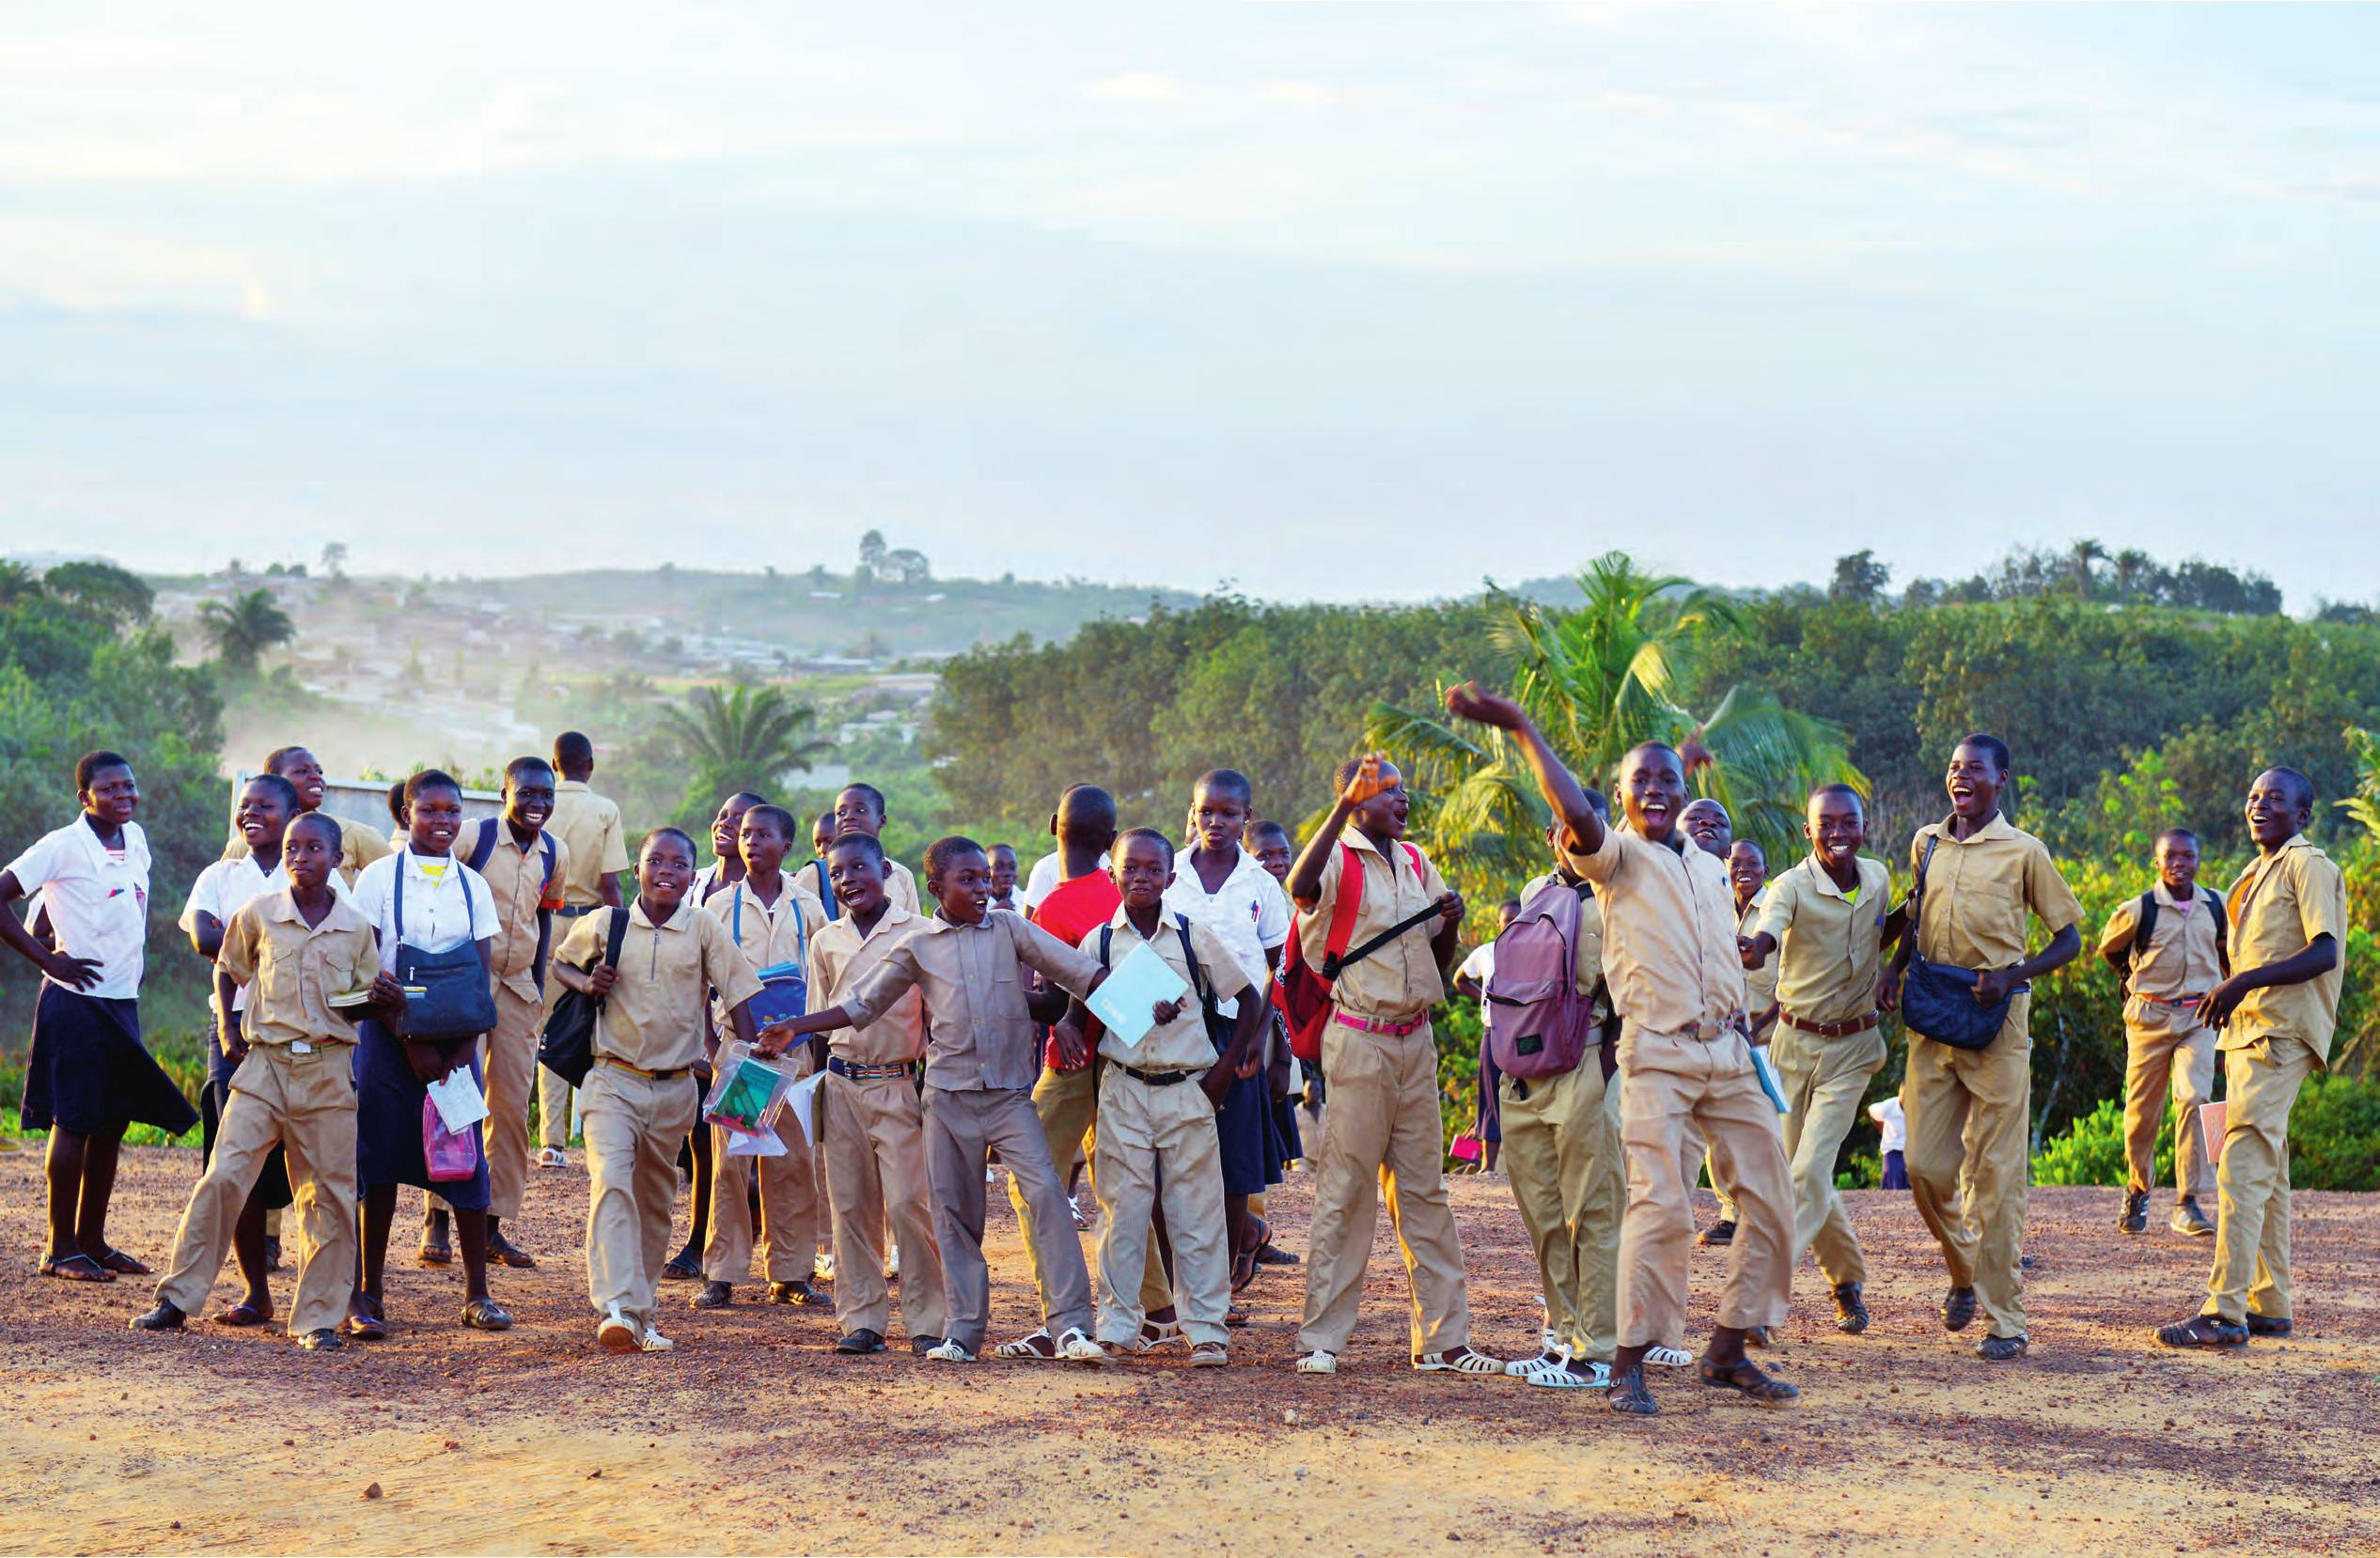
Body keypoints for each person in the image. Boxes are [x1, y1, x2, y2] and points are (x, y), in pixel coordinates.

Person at [1447, 686, 1798, 1415]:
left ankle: (1727, 1350)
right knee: (1659, 1209)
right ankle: (1624, 1363)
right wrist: (1520, 726)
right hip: (1656, 1054)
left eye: (1668, 779)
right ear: (1618, 799)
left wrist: (1683, 760)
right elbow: (1576, 812)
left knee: (1773, 1202)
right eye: (1640, 782)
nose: (1656, 791)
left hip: (1731, 1053)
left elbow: (1679, 807)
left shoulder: (1706, 861)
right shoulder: (1616, 860)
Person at [769, 835, 1113, 1364]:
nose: (983, 888)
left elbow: (1083, 974)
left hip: (1007, 1098)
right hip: (947, 1099)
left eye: (985, 878)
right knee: (953, 1216)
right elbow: (859, 1006)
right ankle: (962, 1334)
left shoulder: (1009, 927)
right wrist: (794, 1027)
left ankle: (1070, 1328)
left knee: (1046, 1193)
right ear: (937, 888)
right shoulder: (918, 947)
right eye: (968, 880)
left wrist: (1155, 1002)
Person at [133, 812, 399, 1349]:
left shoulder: (354, 929)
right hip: (265, 1067)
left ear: (337, 858)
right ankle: (176, 1298)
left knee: (328, 1194)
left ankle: (317, 1319)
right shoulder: (260, 914)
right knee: (225, 1175)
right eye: (292, 849)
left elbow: (356, 1004)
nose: (299, 857)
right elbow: (228, 968)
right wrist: (228, 1027)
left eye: (313, 848)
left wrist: (381, 1003)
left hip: (327, 1073)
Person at [1286, 752, 1494, 1379]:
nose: (1403, 799)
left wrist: (1451, 925)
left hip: (1415, 1041)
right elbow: (1300, 888)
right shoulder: (1337, 861)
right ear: (1357, 799)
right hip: (1358, 1040)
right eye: (1388, 791)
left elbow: (1436, 954)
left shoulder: (1415, 861)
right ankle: (1322, 1339)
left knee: (1424, 1190)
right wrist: (1343, 807)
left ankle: (1442, 1340)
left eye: (1404, 790)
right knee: (1346, 1192)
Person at [1884, 734, 2082, 1363]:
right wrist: (1893, 969)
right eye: (1953, 767)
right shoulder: (1928, 843)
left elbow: (2070, 937)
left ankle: (2007, 1321)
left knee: (1996, 1177)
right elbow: (1914, 916)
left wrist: (2013, 975)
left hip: (1996, 1021)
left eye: (1974, 769)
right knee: (1922, 1167)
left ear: (2002, 780)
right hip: (1931, 1016)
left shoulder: (2026, 851)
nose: (1960, 777)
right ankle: (1964, 1268)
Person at [551, 829, 772, 1353]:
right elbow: (560, 963)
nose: (666, 871)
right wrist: (586, 983)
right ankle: (615, 1308)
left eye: (678, 863)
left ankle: (640, 1314)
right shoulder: (608, 922)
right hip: (611, 1079)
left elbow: (739, 993)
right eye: (655, 861)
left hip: (675, 1090)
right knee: (611, 1183)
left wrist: (754, 1058)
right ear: (638, 870)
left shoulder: (703, 927)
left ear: (690, 874)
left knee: (654, 1202)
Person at [2155, 769, 2346, 1350]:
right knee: (2269, 1168)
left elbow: (2324, 951)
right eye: (2254, 797)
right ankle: (2269, 1302)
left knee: (2240, 1163)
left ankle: (2224, 1310)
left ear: (2303, 814)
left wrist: (2242, 983)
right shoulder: (2255, 871)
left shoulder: (2309, 864)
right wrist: (2226, 990)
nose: (2259, 806)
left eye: (2275, 799)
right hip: (2248, 1035)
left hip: (2280, 1035)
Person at [1068, 828, 1267, 1365]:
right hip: (1124, 1089)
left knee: (1195, 1212)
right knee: (1121, 1214)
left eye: (1153, 869)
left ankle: (1205, 1331)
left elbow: (1249, 1000)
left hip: (1188, 1089)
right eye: (1130, 868)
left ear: (1170, 877)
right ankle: (1116, 1327)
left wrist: (1224, 1072)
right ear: (1112, 874)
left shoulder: (1191, 936)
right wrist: (1072, 1025)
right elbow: (1078, 1010)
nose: (1141, 878)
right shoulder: (1099, 942)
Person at [2, 751, 200, 1285]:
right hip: (75, 1001)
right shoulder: (62, 846)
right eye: (109, 788)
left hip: (121, 1001)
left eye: (129, 786)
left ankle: (93, 1240)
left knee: (112, 1120)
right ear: (84, 796)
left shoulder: (134, 839)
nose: (123, 796)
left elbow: (75, 911)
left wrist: (54, 932)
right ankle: (58, 1248)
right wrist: (49, 959)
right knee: (75, 1120)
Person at [346, 770, 513, 1337]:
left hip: (459, 1046)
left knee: (467, 1164)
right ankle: (368, 1292)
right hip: (388, 1042)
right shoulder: (376, 879)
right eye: (430, 811)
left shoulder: (474, 885)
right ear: (405, 815)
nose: (442, 822)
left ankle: (477, 1295)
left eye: (452, 811)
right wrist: (409, 1041)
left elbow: (480, 974)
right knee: (380, 1164)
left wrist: (464, 1048)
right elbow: (366, 969)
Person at [1740, 784, 1903, 1335]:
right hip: (1792, 1048)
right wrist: (1759, 946)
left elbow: (1888, 929)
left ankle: (1762, 1301)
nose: (1838, 832)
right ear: (1808, 831)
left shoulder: (1878, 878)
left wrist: (1895, 968)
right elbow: (1769, 929)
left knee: (1807, 1170)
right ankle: (1847, 1283)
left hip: (1854, 1049)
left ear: (1864, 825)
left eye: (1848, 822)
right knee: (1804, 1175)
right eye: (1825, 824)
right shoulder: (1789, 886)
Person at [1486, 802, 1626, 1392]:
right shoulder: (1536, 890)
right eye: (1569, 831)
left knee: (1593, 1210)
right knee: (1543, 1213)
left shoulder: (1623, 897)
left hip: (1586, 1065)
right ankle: (1563, 1337)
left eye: (1591, 830)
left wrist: (1608, 1067)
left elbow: (1632, 995)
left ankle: (1597, 1350)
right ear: (1552, 837)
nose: (1579, 840)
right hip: (1525, 1072)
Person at [424, 756, 570, 1271]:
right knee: (458, 1095)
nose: (537, 804)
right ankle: (438, 1221)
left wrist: (536, 975)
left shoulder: (555, 851)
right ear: (505, 791)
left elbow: (545, 916)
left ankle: (492, 1227)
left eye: (545, 795)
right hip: (466, 982)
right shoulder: (472, 838)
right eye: (527, 793)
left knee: (510, 1108)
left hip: (517, 988)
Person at [806, 831, 947, 1355]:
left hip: (900, 1084)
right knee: (850, 1207)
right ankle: (862, 1320)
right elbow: (822, 1025)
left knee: (911, 1203)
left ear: (884, 868)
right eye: (837, 874)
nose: (848, 881)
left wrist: (929, 1089)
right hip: (842, 1084)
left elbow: (936, 1020)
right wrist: (819, 1092)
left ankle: (928, 1321)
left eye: (858, 869)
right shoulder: (826, 939)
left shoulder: (920, 933)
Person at [1161, 770, 1293, 1295]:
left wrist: (1260, 1041)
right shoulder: (1168, 873)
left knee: (1234, 1159)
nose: (1216, 822)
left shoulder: (1260, 886)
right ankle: (1175, 1286)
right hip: (1172, 1026)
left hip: (1238, 1030)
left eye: (1229, 814)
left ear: (1247, 818)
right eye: (1206, 811)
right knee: (1173, 1157)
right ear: (1192, 812)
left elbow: (1274, 970)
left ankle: (1218, 1282)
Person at [177, 772, 305, 1320]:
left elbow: (351, 937)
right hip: (232, 1027)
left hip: (303, 1031)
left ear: (293, 814)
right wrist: (281, 936)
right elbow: (206, 942)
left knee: (317, 1162)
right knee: (234, 1162)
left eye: (265, 806)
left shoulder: (313, 870)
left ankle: (335, 1296)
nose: (250, 814)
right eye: (244, 806)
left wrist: (241, 932)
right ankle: (256, 1290)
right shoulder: (220, 873)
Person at [696, 803, 829, 1309]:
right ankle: (722, 1274)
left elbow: (824, 981)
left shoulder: (808, 907)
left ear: (786, 846)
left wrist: (817, 1051)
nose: (750, 842)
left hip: (795, 1056)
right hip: (742, 1053)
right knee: (732, 1164)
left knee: (794, 1163)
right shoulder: (717, 907)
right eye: (745, 834)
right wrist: (712, 1048)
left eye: (762, 834)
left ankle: (791, 1275)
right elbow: (699, 983)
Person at [2096, 829, 2227, 1239]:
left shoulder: (2217, 905)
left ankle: (2188, 1202)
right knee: (2140, 1116)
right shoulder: (2140, 909)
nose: (2179, 864)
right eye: (2170, 857)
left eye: (2188, 856)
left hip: (2199, 1016)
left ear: (2199, 860)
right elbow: (2109, 949)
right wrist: (2135, 979)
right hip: (2149, 1018)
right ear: (2157, 862)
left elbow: (2227, 950)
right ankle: (2138, 1187)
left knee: (2194, 1097)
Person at [540, 731, 629, 1170]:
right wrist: (624, 933)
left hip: (543, 922)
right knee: (595, 1026)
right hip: (592, 925)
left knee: (550, 1026)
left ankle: (552, 1142)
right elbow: (612, 883)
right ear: (589, 764)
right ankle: (598, 1133)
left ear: (554, 765)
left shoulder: (540, 803)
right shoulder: (605, 809)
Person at [1679, 801, 1745, 1247]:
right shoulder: (1655, 875)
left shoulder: (1724, 887)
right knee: (1671, 1174)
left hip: (1724, 1043)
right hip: (1670, 1047)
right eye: (1695, 819)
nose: (1706, 824)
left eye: (1718, 821)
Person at [221, 746, 391, 888]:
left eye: (319, 772)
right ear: (275, 781)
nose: (316, 777)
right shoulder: (243, 846)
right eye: (302, 771)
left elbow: (395, 879)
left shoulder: (350, 833)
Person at [1450, 901, 1521, 1176]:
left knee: (1523, 1093)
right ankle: (1488, 1166)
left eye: (1518, 919)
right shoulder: (1486, 953)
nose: (1513, 924)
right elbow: (1460, 979)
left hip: (1523, 1032)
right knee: (1490, 1094)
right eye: (1507, 920)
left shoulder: (1533, 952)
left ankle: (1521, 1166)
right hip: (1494, 1031)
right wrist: (1483, 1002)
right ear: (1498, 923)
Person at [829, 785, 920, 913]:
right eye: (841, 813)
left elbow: (915, 928)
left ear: (882, 820)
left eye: (860, 810)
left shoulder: (901, 875)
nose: (848, 817)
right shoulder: (817, 873)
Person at [692, 791, 768, 903]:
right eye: (723, 816)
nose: (724, 823)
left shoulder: (776, 888)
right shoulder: (694, 881)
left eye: (739, 820)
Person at [1869, 1098, 1909, 1190]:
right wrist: (1881, 1128)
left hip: (1913, 1153)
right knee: (1894, 1191)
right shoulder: (1888, 1107)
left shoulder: (1921, 1105)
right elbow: (1872, 1110)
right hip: (1893, 1152)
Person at [988, 845, 1021, 913]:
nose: (1007, 873)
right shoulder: (974, 902)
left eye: (1012, 867)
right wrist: (993, 913)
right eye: (998, 867)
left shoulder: (1026, 901)